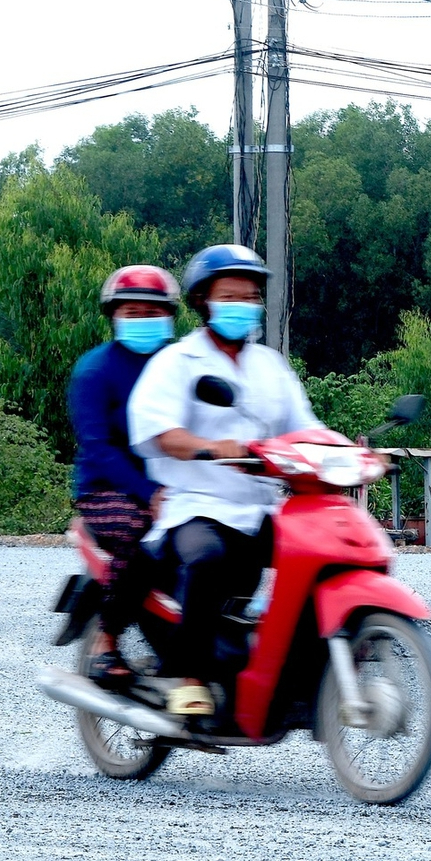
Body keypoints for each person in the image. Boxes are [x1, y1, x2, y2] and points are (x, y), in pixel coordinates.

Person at [128, 244, 319, 720]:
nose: (243, 304)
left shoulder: (269, 366)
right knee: (207, 559)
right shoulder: (177, 362)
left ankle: (300, 672)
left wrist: (352, 451)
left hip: (259, 507)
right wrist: (213, 448)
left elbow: (304, 427)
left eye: (250, 296)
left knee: (319, 555)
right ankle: (187, 678)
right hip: (195, 506)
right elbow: (158, 430)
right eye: (230, 295)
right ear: (203, 302)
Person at [68, 265, 181, 689]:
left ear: (169, 316)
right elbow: (98, 447)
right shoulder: (94, 371)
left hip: (173, 485)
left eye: (152, 311)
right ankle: (106, 640)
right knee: (141, 530)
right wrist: (149, 492)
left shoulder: (179, 365)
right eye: (131, 312)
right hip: (106, 490)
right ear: (114, 316)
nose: (142, 319)